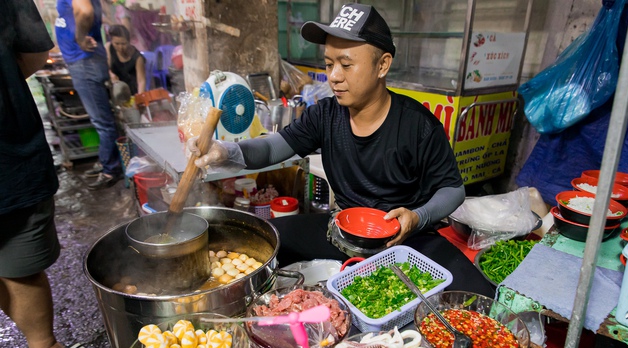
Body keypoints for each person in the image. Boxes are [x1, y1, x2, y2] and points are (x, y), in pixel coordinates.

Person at [190, 3, 494, 297]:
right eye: (328, 64)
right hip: (343, 232)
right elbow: (274, 147)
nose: (334, 76)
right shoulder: (325, 115)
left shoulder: (418, 125)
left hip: (408, 240)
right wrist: (225, 152)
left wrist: (416, 217)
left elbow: (453, 190)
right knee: (255, 240)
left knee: (476, 295)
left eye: (346, 64)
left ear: (382, 64)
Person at [0, 0, 102, 348]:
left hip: (9, 159)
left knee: (22, 259)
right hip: (11, 145)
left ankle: (42, 344)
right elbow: (34, 54)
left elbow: (33, 51)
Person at [56, 0, 123, 189]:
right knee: (101, 120)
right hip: (86, 62)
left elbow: (85, 11)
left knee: (103, 122)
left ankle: (111, 170)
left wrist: (79, 38)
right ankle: (106, 162)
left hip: (85, 63)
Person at [106, 24, 146, 96]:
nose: (120, 47)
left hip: (131, 92)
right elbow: (106, 66)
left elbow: (141, 81)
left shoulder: (137, 57)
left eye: (123, 44)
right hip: (114, 90)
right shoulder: (108, 48)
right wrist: (110, 74)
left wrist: (140, 97)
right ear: (111, 40)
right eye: (117, 44)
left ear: (129, 41)